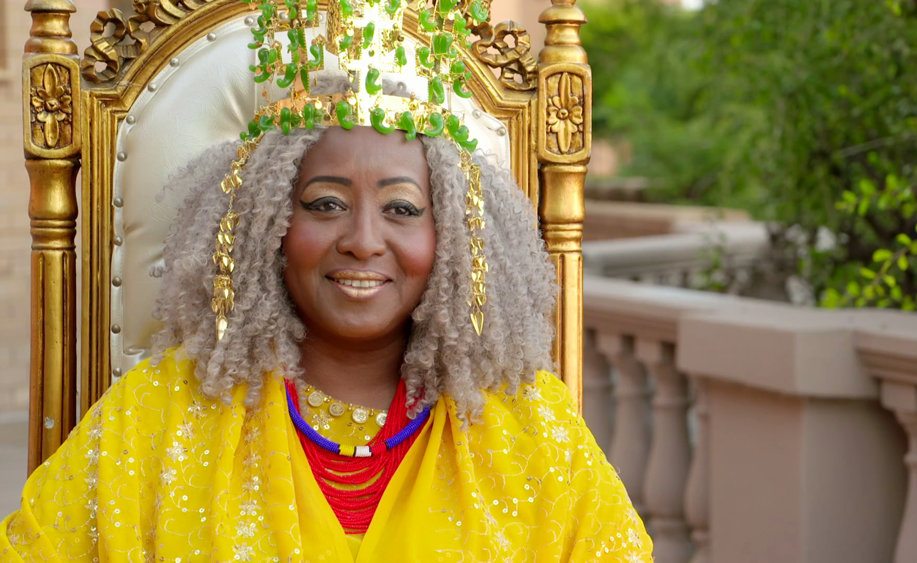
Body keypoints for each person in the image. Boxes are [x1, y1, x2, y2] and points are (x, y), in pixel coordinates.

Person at [2, 1, 652, 560]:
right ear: (266, 226)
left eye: (402, 209)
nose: (363, 240)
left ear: (456, 239)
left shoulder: (530, 425)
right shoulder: (159, 414)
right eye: (325, 203)